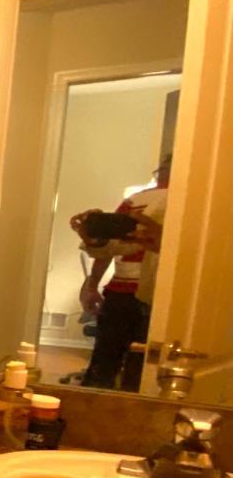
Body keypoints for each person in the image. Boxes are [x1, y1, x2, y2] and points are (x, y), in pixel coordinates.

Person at [71, 156, 169, 390]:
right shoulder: (141, 200)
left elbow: (108, 248)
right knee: (136, 370)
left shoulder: (137, 200)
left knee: (107, 364)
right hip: (137, 292)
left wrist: (92, 284)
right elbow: (111, 246)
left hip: (136, 293)